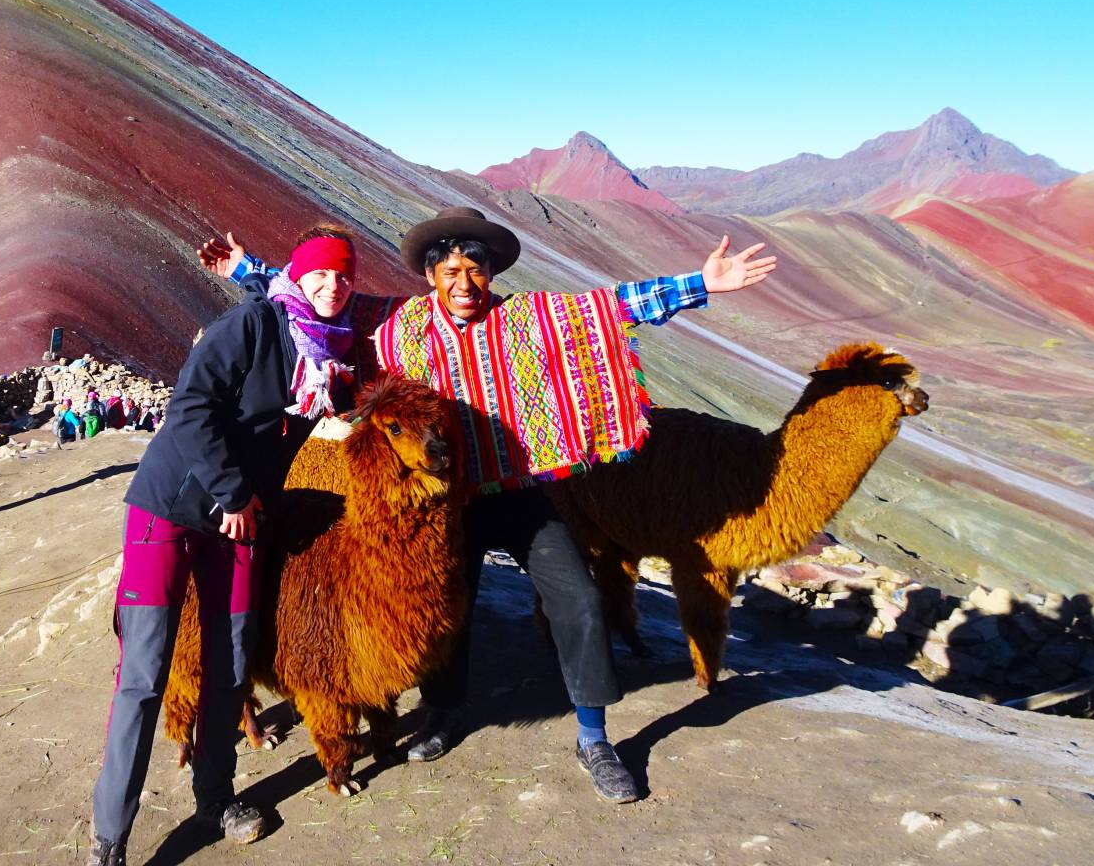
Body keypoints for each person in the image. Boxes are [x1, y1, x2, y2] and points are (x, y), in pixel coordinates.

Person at [198, 208, 776, 803]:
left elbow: (610, 307)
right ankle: (446, 712)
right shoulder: (397, 322)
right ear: (430, 277)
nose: (464, 285)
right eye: (450, 272)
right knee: (444, 607)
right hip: (453, 503)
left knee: (577, 596)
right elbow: (320, 293)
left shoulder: (527, 319)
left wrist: (703, 283)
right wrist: (245, 267)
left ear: (492, 274)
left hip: (522, 490)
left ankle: (594, 736)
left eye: (476, 271)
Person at [87, 225, 372, 866]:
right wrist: (235, 495)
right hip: (172, 505)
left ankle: (215, 796)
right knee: (145, 669)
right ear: (297, 277)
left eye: (345, 275)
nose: (333, 285)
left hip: (242, 520)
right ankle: (112, 834)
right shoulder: (253, 326)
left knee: (234, 658)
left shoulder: (334, 354)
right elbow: (189, 408)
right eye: (320, 273)